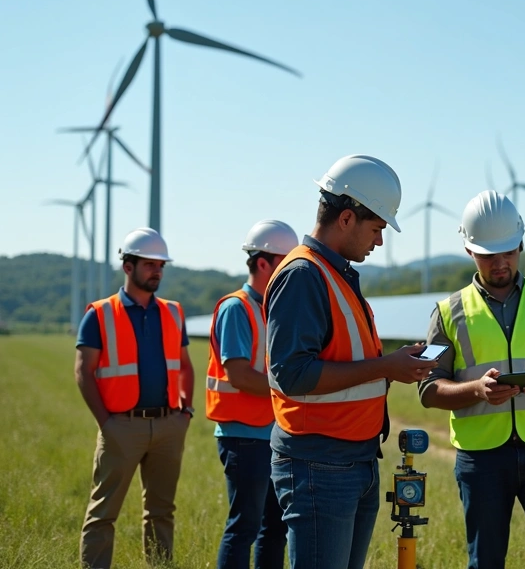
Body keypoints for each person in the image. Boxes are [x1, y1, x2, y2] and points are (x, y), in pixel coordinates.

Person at [264, 154, 437, 569]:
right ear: (346, 218)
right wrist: (385, 367)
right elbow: (291, 374)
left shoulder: (334, 274)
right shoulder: (303, 275)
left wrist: (394, 366)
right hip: (319, 465)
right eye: (377, 229)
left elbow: (347, 363)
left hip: (352, 460)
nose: (379, 242)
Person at [420, 190, 525, 569]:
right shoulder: (447, 312)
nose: (500, 263)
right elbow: (429, 389)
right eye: (488, 255)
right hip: (481, 459)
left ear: (521, 244)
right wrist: (476, 389)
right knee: (485, 563)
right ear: (469, 250)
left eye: (508, 252)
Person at [75, 227, 195, 569]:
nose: (157, 271)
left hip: (168, 425)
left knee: (162, 512)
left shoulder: (173, 312)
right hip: (121, 427)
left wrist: (185, 412)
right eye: (149, 264)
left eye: (161, 265)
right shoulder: (100, 314)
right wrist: (106, 423)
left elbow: (185, 366)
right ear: (128, 267)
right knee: (103, 514)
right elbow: (83, 371)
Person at [207, 219, 299, 568]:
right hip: (244, 437)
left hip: (273, 435)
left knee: (274, 529)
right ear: (263, 263)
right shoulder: (237, 308)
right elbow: (240, 375)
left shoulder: (274, 308)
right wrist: (292, 387)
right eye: (285, 263)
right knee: (244, 527)